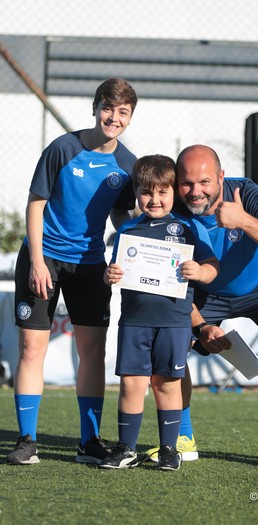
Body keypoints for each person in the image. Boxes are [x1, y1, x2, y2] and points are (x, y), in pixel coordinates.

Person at [148, 144, 258, 472]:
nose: (195, 192)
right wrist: (200, 327)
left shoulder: (245, 192)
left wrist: (244, 220)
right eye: (187, 183)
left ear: (221, 177)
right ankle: (183, 439)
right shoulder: (170, 209)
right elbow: (171, 286)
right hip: (207, 292)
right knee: (166, 341)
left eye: (205, 182)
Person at [6, 78, 138, 466]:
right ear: (95, 107)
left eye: (123, 113)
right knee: (32, 348)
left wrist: (133, 249)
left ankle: (89, 441)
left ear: (131, 117)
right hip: (43, 258)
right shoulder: (63, 148)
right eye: (108, 109)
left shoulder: (128, 164)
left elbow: (122, 214)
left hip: (90, 265)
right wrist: (36, 261)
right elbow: (35, 204)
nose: (113, 118)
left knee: (92, 352)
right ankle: (27, 439)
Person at [99, 154, 219, 471]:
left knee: (166, 384)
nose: (154, 199)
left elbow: (212, 269)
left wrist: (199, 270)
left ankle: (169, 449)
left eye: (162, 192)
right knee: (132, 384)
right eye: (147, 192)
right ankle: (126, 448)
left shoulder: (188, 228)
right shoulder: (127, 231)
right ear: (136, 193)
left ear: (173, 192)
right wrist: (109, 275)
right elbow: (116, 270)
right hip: (135, 322)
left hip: (174, 323)